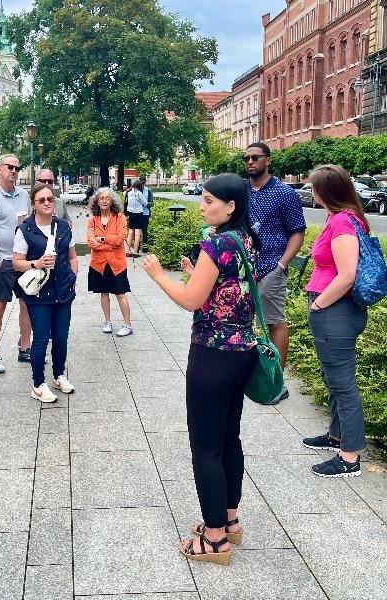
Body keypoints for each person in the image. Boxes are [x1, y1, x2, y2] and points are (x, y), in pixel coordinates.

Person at [142, 174, 260, 565]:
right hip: (242, 351)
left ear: (230, 206)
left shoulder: (217, 241)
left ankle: (213, 540)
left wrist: (159, 275)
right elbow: (227, 292)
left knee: (205, 447)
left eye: (209, 200)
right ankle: (230, 520)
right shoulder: (246, 239)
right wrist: (199, 271)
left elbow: (192, 300)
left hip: (212, 354)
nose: (202, 206)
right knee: (229, 439)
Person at [302, 165, 369, 478]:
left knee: (343, 385)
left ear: (326, 191)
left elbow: (347, 276)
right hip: (333, 310)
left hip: (335, 311)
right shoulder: (338, 217)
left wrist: (318, 303)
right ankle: (336, 436)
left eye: (314, 187)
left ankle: (349, 457)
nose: (311, 192)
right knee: (334, 380)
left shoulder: (343, 221)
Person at [245, 141, 305, 403]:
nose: (250, 162)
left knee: (273, 322)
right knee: (242, 322)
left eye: (255, 157)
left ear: (268, 160)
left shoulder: (284, 193)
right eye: (246, 158)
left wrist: (282, 265)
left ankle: (276, 381)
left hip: (271, 266)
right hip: (243, 267)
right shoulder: (241, 191)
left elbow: (297, 232)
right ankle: (250, 374)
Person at [12, 183, 78, 403]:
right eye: (42, 200)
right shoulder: (25, 230)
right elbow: (16, 263)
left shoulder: (63, 227)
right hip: (38, 294)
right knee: (40, 339)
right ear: (34, 205)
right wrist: (36, 263)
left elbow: (72, 257)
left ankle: (59, 375)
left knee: (61, 338)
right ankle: (38, 384)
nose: (48, 203)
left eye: (50, 199)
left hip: (63, 291)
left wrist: (73, 278)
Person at [0, 154, 33, 373]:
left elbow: (28, 224)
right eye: (10, 167)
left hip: (22, 258)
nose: (14, 171)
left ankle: (25, 348)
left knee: (26, 304)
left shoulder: (23, 195)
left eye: (17, 168)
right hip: (3, 260)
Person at [87, 187, 133, 336]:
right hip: (99, 264)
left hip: (116, 263)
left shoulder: (120, 218)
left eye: (107, 198)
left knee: (120, 294)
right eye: (101, 198)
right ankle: (107, 321)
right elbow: (90, 243)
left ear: (112, 200)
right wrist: (109, 244)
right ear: (97, 201)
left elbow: (120, 239)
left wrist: (102, 239)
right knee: (103, 294)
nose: (104, 200)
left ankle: (128, 324)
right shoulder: (92, 221)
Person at [126, 180, 148, 257]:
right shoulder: (139, 193)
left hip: (131, 214)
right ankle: (135, 252)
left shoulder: (128, 192)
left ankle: (127, 251)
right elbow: (145, 203)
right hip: (138, 214)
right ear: (139, 186)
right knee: (137, 234)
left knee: (130, 232)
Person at [139, 175, 154, 251]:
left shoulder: (148, 191)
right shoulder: (135, 191)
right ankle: (136, 248)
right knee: (136, 231)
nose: (143, 184)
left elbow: (152, 203)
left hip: (145, 213)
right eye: (141, 183)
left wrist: (146, 203)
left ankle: (144, 247)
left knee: (144, 231)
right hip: (136, 214)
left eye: (144, 183)